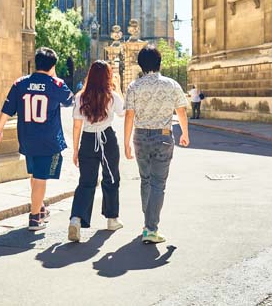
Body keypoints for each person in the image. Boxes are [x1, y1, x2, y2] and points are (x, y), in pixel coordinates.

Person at [0, 47, 74, 231]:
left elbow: (7, 109)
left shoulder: (20, 83)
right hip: (48, 139)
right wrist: (54, 76)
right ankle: (35, 218)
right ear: (52, 65)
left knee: (35, 175)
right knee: (40, 178)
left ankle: (40, 207)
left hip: (27, 138)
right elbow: (70, 101)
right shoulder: (56, 84)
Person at [124, 45, 190, 244]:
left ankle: (148, 223)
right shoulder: (171, 84)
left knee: (145, 180)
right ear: (159, 63)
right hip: (162, 137)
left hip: (141, 137)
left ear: (141, 65)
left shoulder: (134, 86)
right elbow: (181, 111)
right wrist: (185, 134)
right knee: (158, 183)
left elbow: (129, 115)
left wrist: (126, 142)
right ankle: (151, 228)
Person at [68, 60, 125, 242]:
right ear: (108, 77)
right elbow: (123, 112)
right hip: (107, 139)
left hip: (87, 139)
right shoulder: (112, 96)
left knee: (86, 182)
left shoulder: (80, 97)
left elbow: (77, 126)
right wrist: (118, 86)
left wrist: (75, 149)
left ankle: (76, 219)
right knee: (111, 177)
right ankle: (112, 218)